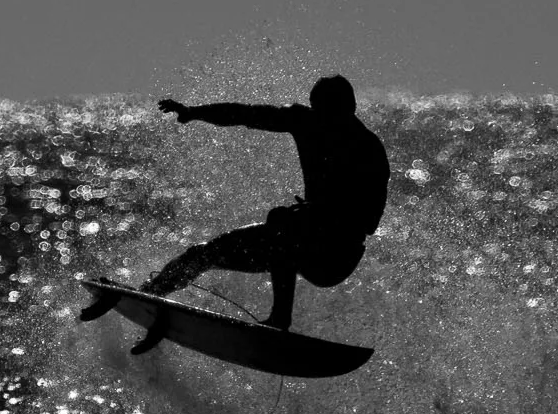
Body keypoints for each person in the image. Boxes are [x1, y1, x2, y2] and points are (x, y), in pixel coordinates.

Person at [81, 74, 388, 333]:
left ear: (350, 110)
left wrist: (317, 214)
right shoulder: (305, 122)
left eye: (330, 114)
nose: (323, 122)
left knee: (284, 223)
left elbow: (367, 224)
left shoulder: (368, 150)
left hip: (335, 256)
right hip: (299, 238)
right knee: (205, 253)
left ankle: (280, 319)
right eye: (317, 111)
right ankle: (148, 296)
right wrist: (194, 112)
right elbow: (244, 114)